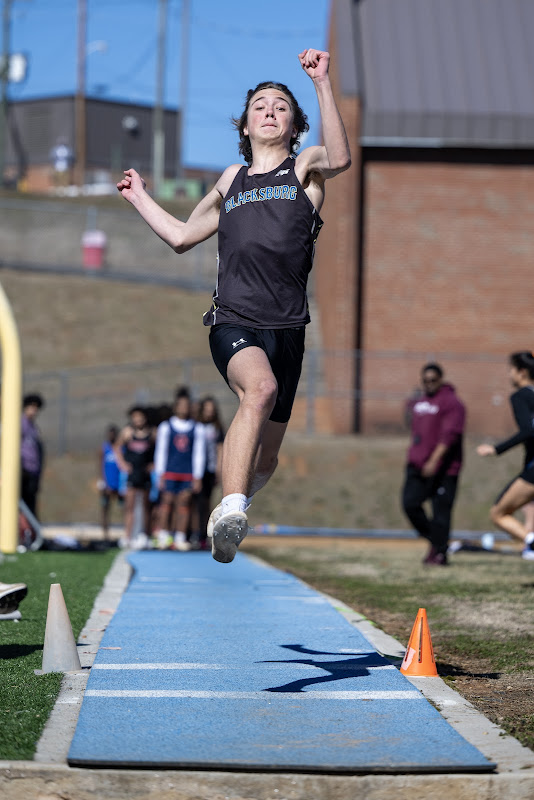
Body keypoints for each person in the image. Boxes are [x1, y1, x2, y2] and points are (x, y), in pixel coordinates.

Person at [117, 48, 351, 562]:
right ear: (244, 125)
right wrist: (140, 198)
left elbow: (339, 158)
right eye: (260, 105)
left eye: (281, 106)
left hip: (288, 327)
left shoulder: (305, 168)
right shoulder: (231, 180)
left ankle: (230, 504)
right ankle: (230, 507)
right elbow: (181, 236)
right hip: (233, 319)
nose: (270, 111)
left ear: (294, 126)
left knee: (264, 460)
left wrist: (321, 81)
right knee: (259, 389)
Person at [402, 363, 466, 566]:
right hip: (417, 465)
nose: (429, 384)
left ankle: (439, 554)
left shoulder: (451, 403)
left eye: (433, 380)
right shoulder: (420, 402)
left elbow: (450, 436)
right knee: (410, 503)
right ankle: (437, 542)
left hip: (444, 469)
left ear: (440, 379)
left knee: (441, 513)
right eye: (425, 380)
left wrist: (434, 460)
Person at [476, 351, 534, 560]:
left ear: (522, 372)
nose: (509, 375)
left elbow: (528, 430)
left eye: (511, 370)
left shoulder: (520, 396)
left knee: (498, 513)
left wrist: (496, 449)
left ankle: (531, 543)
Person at [153, 388, 206, 550]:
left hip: (187, 473)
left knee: (184, 504)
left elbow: (199, 453)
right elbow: (161, 451)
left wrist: (198, 475)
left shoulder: (197, 428)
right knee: (166, 503)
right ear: (175, 407)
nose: (184, 408)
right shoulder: (166, 427)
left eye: (186, 405)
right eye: (181, 405)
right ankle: (164, 535)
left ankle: (181, 536)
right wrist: (160, 473)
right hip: (169, 471)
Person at [114, 406, 155, 548]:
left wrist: (153, 464)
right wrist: (122, 464)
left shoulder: (151, 433)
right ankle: (128, 535)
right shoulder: (127, 432)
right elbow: (116, 448)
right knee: (129, 506)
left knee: (145, 506)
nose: (138, 420)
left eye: (140, 417)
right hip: (132, 474)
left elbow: (158, 450)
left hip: (145, 474)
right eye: (135, 417)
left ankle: (144, 534)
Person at [193, 395, 225, 549]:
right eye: (206, 409)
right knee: (193, 502)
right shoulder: (196, 426)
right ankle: (189, 533)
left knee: (206, 503)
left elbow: (220, 448)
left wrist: (218, 469)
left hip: (210, 470)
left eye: (211, 410)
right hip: (194, 471)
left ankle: (203, 536)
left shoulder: (217, 428)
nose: (209, 412)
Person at [97, 424, 125, 544]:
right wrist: (102, 482)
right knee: (105, 508)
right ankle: (105, 534)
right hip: (107, 484)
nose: (111, 436)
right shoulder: (104, 448)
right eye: (109, 434)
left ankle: (125, 533)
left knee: (124, 508)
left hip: (119, 484)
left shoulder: (121, 449)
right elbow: (100, 465)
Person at [20, 393, 45, 520]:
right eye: (31, 406)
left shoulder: (34, 428)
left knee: (30, 507)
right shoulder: (19, 424)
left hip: (32, 472)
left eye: (36, 408)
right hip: (22, 472)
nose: (34, 410)